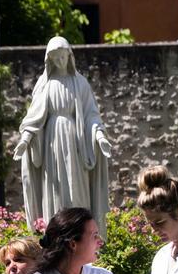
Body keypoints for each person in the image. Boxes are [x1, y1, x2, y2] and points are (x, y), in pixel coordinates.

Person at [13, 36, 111, 238]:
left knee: (77, 186)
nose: (60, 61)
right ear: (49, 60)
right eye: (55, 58)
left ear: (69, 56)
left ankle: (80, 232)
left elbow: (91, 114)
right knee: (54, 186)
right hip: (52, 142)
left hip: (76, 142)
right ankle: (57, 233)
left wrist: (99, 135)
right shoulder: (45, 84)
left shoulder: (80, 83)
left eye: (62, 57)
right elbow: (34, 118)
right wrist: (25, 140)